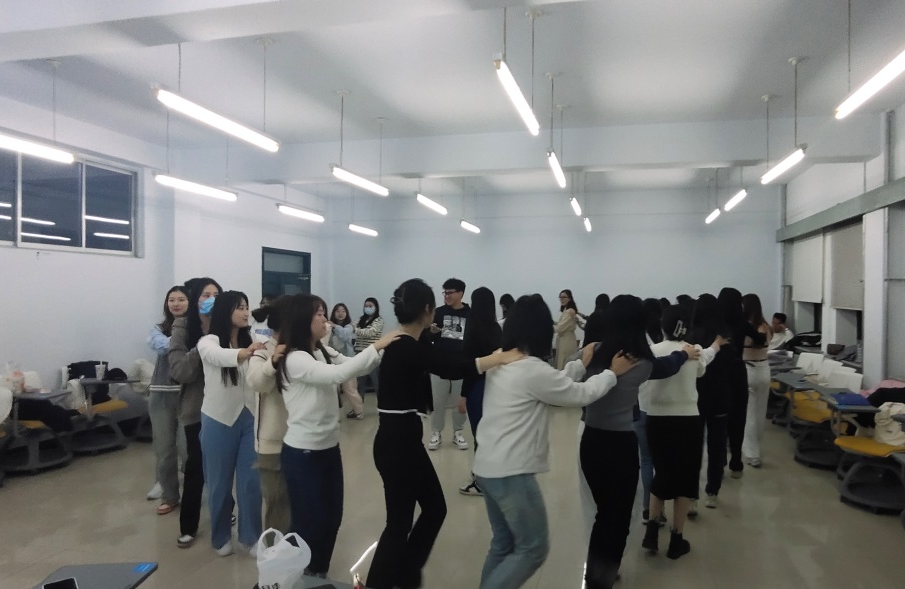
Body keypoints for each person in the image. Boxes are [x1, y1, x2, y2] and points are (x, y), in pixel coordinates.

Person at [473, 294, 637, 589]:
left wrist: (580, 364)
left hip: (486, 467)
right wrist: (612, 373)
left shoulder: (503, 360)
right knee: (533, 548)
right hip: (511, 473)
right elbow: (580, 394)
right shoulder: (531, 369)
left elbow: (553, 382)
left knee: (503, 543)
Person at [367, 279, 519, 589]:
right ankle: (385, 581)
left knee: (434, 509)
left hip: (405, 441)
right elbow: (448, 367)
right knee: (399, 525)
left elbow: (444, 359)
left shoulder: (413, 340)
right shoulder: (404, 345)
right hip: (397, 444)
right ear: (427, 309)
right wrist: (499, 358)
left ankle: (406, 575)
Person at [581, 296, 710, 589]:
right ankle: (603, 578)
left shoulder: (592, 352)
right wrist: (685, 353)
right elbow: (667, 366)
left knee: (603, 515)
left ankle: (594, 576)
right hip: (619, 447)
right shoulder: (639, 361)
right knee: (618, 520)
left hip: (590, 443)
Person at [276, 293, 401, 579]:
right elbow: (338, 374)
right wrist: (378, 344)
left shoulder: (323, 351)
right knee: (308, 523)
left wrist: (387, 348)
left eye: (324, 313)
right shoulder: (295, 358)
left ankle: (318, 572)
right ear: (302, 320)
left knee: (332, 518)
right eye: (319, 314)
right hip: (303, 453)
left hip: (329, 448)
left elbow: (358, 365)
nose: (325, 319)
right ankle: (288, 576)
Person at [641, 305, 721, 561]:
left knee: (661, 472)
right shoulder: (693, 350)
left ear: (663, 325)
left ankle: (652, 530)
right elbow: (703, 366)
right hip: (687, 420)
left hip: (656, 420)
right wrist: (717, 344)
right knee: (685, 480)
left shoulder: (652, 351)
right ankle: (677, 540)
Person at [197, 290, 265, 557]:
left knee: (251, 482)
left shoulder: (254, 339)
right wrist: (244, 353)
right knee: (219, 484)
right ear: (226, 310)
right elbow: (217, 356)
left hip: (250, 419)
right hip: (218, 419)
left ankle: (251, 537)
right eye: (240, 307)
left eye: (247, 307)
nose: (246, 312)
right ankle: (221, 536)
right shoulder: (208, 341)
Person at [169, 276, 221, 549]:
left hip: (226, 406)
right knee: (196, 467)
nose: (211, 300)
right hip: (197, 408)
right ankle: (188, 526)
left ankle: (225, 510)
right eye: (205, 295)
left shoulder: (226, 323)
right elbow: (179, 371)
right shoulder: (182, 327)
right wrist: (203, 345)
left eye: (216, 295)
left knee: (223, 467)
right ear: (194, 299)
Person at [246, 296, 291, 534]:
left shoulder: (302, 351)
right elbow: (257, 382)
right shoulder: (264, 351)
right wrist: (273, 361)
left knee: (298, 502)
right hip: (272, 444)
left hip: (299, 440)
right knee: (278, 507)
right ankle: (275, 551)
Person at [147, 285, 189, 516]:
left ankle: (193, 495)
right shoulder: (159, 329)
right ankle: (170, 496)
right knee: (164, 451)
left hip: (188, 394)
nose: (176, 303)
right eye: (171, 299)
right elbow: (160, 346)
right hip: (161, 394)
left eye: (181, 299)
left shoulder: (197, 327)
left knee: (187, 450)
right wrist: (181, 339)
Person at [688, 293, 733, 509]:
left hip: (694, 398)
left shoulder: (690, 336)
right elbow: (732, 366)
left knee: (693, 448)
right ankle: (712, 492)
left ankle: (692, 497)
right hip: (720, 397)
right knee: (717, 446)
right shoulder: (725, 336)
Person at [457, 286, 502, 497]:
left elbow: (470, 366)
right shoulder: (496, 329)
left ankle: (482, 481)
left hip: (477, 387)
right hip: (495, 387)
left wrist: (463, 394)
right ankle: (490, 475)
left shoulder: (473, 328)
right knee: (490, 433)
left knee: (479, 434)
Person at [718, 287, 765, 478]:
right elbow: (760, 338)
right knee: (738, 418)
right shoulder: (742, 323)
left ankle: (720, 459)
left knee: (719, 419)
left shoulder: (716, 324)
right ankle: (736, 463)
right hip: (738, 370)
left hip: (718, 373)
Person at [428, 278, 471, 451]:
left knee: (459, 404)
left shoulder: (470, 314)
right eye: (444, 292)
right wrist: (432, 332)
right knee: (437, 403)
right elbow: (428, 337)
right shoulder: (438, 312)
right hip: (439, 365)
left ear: (460, 293)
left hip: (461, 366)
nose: (446, 296)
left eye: (450, 292)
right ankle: (436, 432)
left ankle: (458, 432)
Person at [742, 293, 773, 467]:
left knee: (749, 414)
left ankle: (752, 454)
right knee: (761, 413)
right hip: (764, 369)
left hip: (748, 369)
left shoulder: (744, 328)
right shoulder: (767, 327)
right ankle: (755, 447)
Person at [330, 303, 364, 419]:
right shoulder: (329, 327)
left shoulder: (349, 326)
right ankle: (334, 415)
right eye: (337, 311)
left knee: (349, 389)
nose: (340, 313)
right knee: (333, 390)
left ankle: (358, 411)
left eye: (343, 311)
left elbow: (344, 336)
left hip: (348, 361)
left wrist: (334, 326)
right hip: (333, 362)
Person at [353, 297, 384, 398]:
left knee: (376, 382)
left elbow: (370, 333)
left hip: (372, 354)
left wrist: (355, 330)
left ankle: (382, 404)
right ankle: (359, 405)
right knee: (360, 383)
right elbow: (351, 326)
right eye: (366, 306)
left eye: (370, 306)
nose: (368, 308)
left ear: (376, 307)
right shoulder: (361, 319)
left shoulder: (379, 320)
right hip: (360, 353)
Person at [554, 289, 579, 370]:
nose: (562, 299)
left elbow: (560, 327)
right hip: (565, 339)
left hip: (567, 340)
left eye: (564, 297)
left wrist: (546, 329)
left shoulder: (569, 312)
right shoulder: (566, 310)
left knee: (564, 363)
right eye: (560, 297)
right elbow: (561, 324)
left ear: (569, 298)